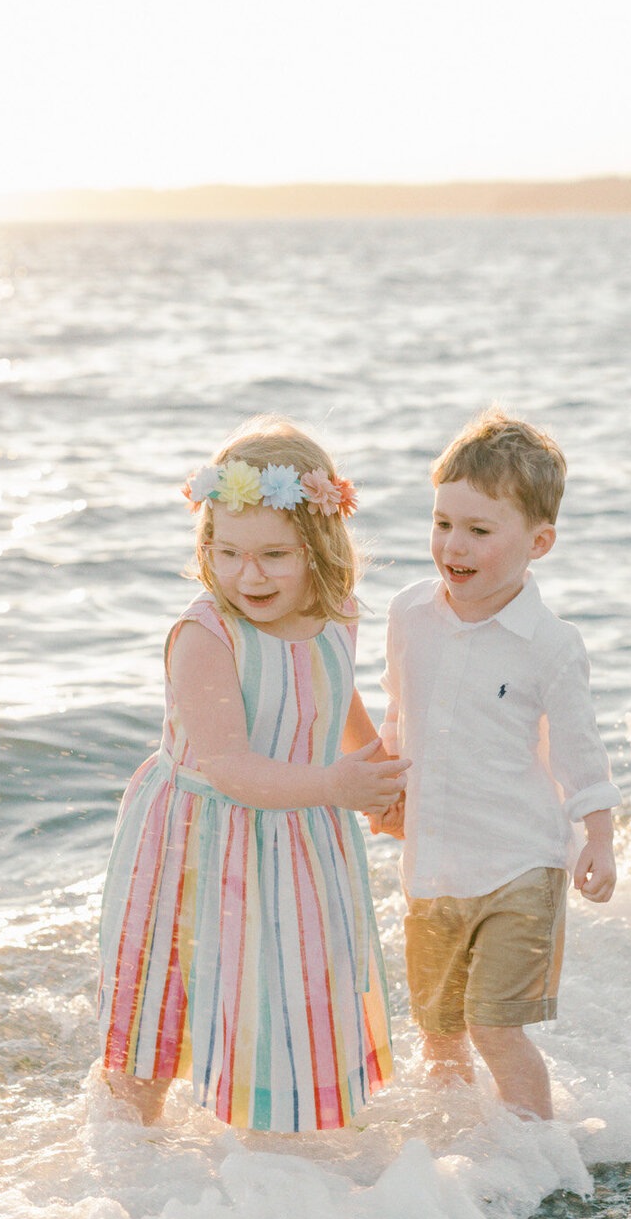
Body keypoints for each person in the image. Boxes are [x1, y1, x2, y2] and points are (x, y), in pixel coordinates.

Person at [97, 418, 408, 1131]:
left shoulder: (336, 612)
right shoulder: (206, 637)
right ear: (207, 548)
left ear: (319, 547)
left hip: (297, 840)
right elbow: (230, 765)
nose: (250, 574)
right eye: (229, 553)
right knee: (167, 1010)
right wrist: (335, 786)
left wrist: (381, 777)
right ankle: (129, 1167)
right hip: (199, 843)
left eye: (274, 554)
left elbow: (338, 692)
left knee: (283, 1001)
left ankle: (275, 1167)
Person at [376, 408, 620, 1121]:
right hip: (431, 865)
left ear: (538, 542)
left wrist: (599, 838)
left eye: (479, 530)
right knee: (439, 1032)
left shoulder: (549, 644)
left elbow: (580, 752)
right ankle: (456, 1152)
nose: (453, 543)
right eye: (442, 522)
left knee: (494, 1026)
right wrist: (390, 788)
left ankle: (531, 1157)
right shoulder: (408, 613)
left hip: (521, 864)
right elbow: (399, 711)